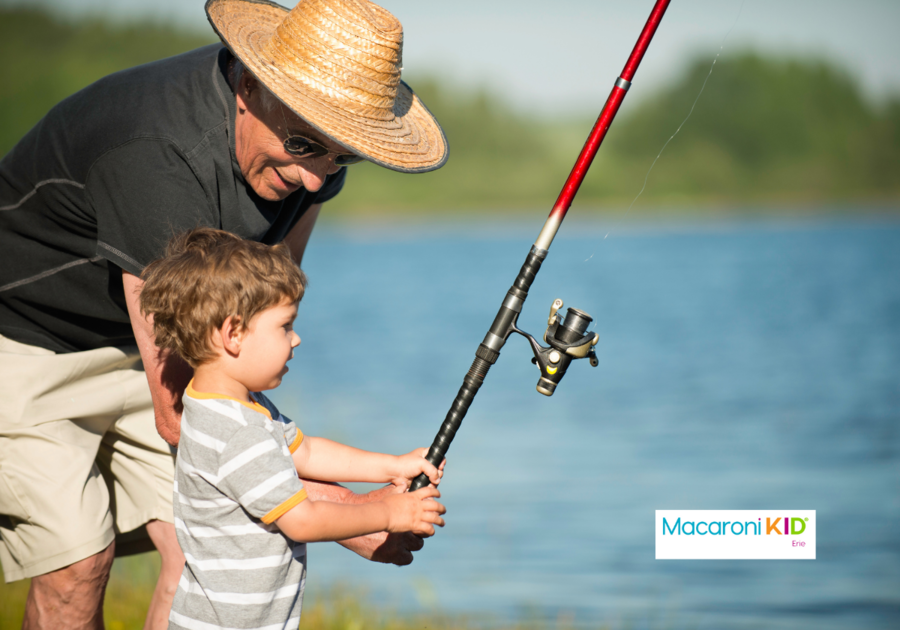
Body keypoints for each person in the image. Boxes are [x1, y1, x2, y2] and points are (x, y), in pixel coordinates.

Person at [0, 0, 448, 627]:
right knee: (77, 565)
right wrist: (357, 517)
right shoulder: (158, 154)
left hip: (148, 343)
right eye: (302, 145)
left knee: (202, 545)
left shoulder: (315, 158)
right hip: (24, 337)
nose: (316, 180)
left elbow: (266, 302)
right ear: (247, 85)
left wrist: (362, 492)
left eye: (342, 156)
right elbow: (186, 411)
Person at [139, 227, 446, 629]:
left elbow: (307, 453)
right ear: (233, 334)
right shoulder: (238, 434)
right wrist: (389, 512)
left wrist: (391, 466)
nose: (296, 339)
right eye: (284, 326)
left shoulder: (225, 403)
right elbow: (304, 520)